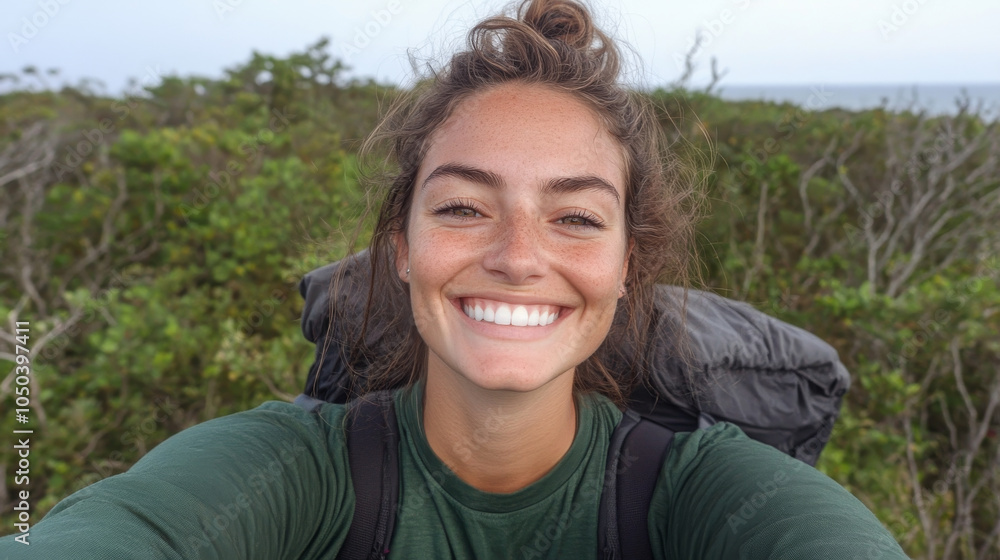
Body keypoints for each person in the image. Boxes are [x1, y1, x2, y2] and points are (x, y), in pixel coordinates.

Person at [1, 0, 910, 558]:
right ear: (400, 246)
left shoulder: (710, 496)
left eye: (576, 217)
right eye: (465, 207)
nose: (518, 255)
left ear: (629, 265)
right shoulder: (291, 474)